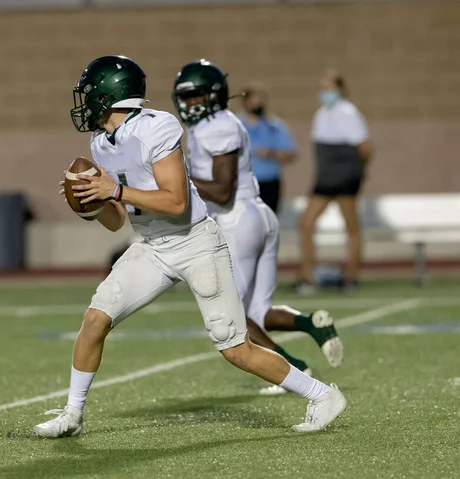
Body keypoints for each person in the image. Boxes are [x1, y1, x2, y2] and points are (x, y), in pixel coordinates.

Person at [33, 55, 347, 438]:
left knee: (235, 349)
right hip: (151, 244)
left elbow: (177, 202)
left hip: (195, 242)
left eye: (90, 93)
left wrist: (113, 189)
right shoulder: (100, 142)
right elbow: (117, 219)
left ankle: (322, 395)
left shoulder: (156, 127)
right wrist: (91, 205)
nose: (84, 102)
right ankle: (72, 414)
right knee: (96, 318)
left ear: (108, 95)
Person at [172, 60, 343, 396]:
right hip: (257, 214)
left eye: (196, 96)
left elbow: (223, 190)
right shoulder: (217, 123)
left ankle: (291, 368)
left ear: (214, 96)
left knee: (232, 313)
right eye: (185, 97)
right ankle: (311, 325)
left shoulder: (216, 127)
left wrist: (178, 177)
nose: (189, 104)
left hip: (238, 220)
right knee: (258, 311)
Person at [297, 69, 372, 294]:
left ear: (340, 90)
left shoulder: (349, 113)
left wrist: (356, 171)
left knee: (351, 227)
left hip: (345, 177)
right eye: (322, 88)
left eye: (329, 88)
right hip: (325, 178)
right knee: (306, 224)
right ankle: (307, 277)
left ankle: (351, 277)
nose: (325, 93)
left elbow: (365, 148)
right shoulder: (320, 114)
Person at [239, 82, 297, 214]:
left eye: (260, 100)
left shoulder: (275, 126)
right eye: (253, 100)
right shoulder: (237, 126)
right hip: (243, 184)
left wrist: (271, 154)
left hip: (270, 184)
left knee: (269, 224)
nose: (257, 104)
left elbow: (291, 154)